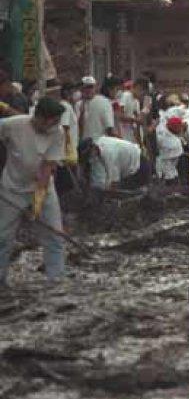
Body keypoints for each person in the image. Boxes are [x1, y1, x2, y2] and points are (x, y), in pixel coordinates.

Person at [0, 98, 67, 288]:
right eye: (48, 122)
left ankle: (56, 279)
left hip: (43, 189)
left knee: (54, 234)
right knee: (2, 236)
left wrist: (36, 204)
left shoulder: (57, 132)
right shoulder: (14, 125)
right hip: (11, 188)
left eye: (55, 122)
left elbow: (47, 168)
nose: (51, 126)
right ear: (37, 117)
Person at [78, 136, 148, 191]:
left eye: (88, 155)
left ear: (93, 148)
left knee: (123, 194)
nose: (90, 159)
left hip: (139, 167)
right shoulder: (100, 143)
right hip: (131, 163)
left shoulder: (109, 154)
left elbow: (114, 183)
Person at [78, 76, 116, 142]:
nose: (88, 90)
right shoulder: (78, 104)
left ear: (95, 87)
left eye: (90, 87)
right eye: (85, 87)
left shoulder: (104, 102)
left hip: (100, 143)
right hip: (83, 144)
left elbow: (109, 126)